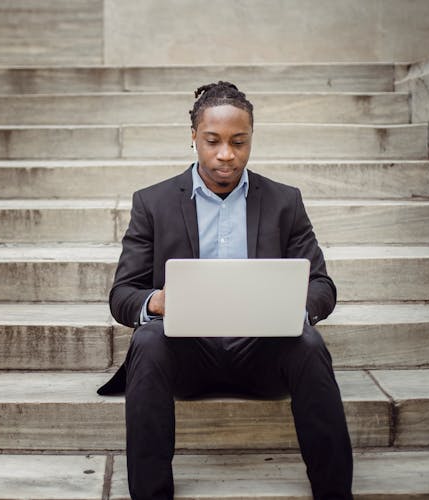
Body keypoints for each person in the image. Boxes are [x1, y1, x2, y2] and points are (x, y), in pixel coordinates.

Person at [98, 81, 353, 500]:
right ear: (194, 137)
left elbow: (322, 286)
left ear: (251, 138)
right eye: (213, 141)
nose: (226, 155)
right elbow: (122, 295)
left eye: (239, 142)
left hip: (264, 355)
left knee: (308, 342)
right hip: (187, 360)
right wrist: (157, 301)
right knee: (147, 339)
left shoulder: (284, 201)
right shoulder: (153, 202)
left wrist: (292, 305)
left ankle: (335, 494)